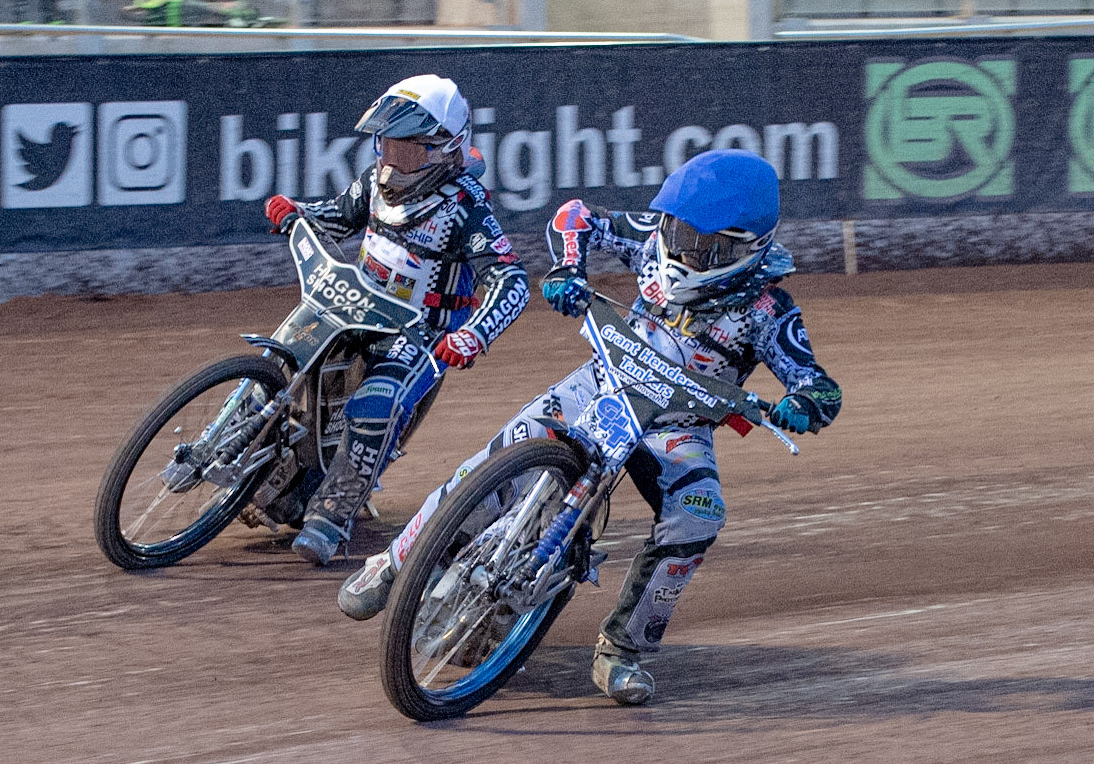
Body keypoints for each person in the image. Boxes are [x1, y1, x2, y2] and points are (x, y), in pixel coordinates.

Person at [337, 148, 842, 705]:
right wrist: (566, 269)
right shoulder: (655, 237)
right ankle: (392, 564)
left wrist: (803, 404)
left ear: (745, 248)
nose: (680, 249)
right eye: (677, 231)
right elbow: (574, 216)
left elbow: (818, 384)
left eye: (704, 246)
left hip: (675, 426)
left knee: (698, 514)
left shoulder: (771, 310)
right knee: (498, 456)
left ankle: (624, 648)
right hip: (600, 382)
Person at [262, 74, 529, 566]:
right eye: (385, 145)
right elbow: (338, 217)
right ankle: (251, 451)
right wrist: (296, 212)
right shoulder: (375, 182)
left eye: (406, 151)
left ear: (444, 149)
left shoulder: (464, 206)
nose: (390, 161)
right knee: (279, 358)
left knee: (373, 408)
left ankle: (331, 515)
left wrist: (474, 335)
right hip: (353, 305)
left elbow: (511, 280)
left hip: (417, 334)